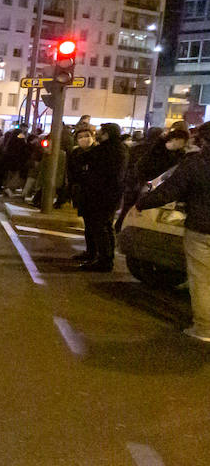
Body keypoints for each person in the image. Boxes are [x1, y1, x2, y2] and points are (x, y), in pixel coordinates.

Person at [137, 141, 210, 342]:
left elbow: (170, 190)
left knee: (202, 280)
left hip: (202, 229)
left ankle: (205, 329)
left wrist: (143, 202)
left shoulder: (196, 164)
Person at [70, 123, 127, 272]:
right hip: (106, 195)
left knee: (100, 226)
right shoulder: (118, 148)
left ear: (107, 134)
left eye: (101, 132)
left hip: (102, 195)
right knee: (99, 225)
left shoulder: (108, 150)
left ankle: (104, 260)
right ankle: (96, 254)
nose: (99, 135)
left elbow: (85, 161)